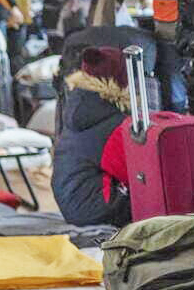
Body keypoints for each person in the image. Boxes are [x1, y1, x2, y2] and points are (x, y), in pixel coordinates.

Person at [52, 46, 133, 227]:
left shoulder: (79, 106)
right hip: (95, 209)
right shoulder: (113, 121)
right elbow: (132, 172)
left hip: (72, 203)